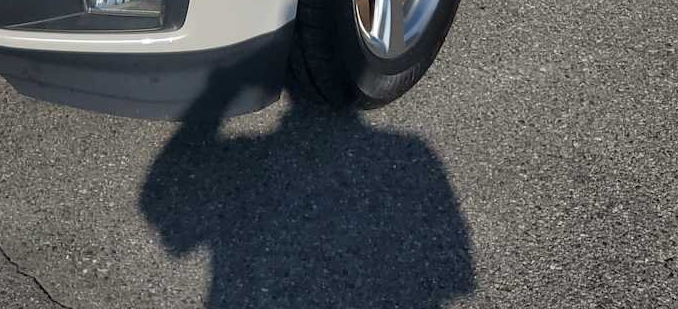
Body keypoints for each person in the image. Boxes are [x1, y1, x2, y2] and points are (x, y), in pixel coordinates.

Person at [141, 58, 475, 308]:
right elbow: (455, 277)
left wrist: (221, 87)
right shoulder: (411, 152)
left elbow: (164, 211)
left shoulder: (409, 152)